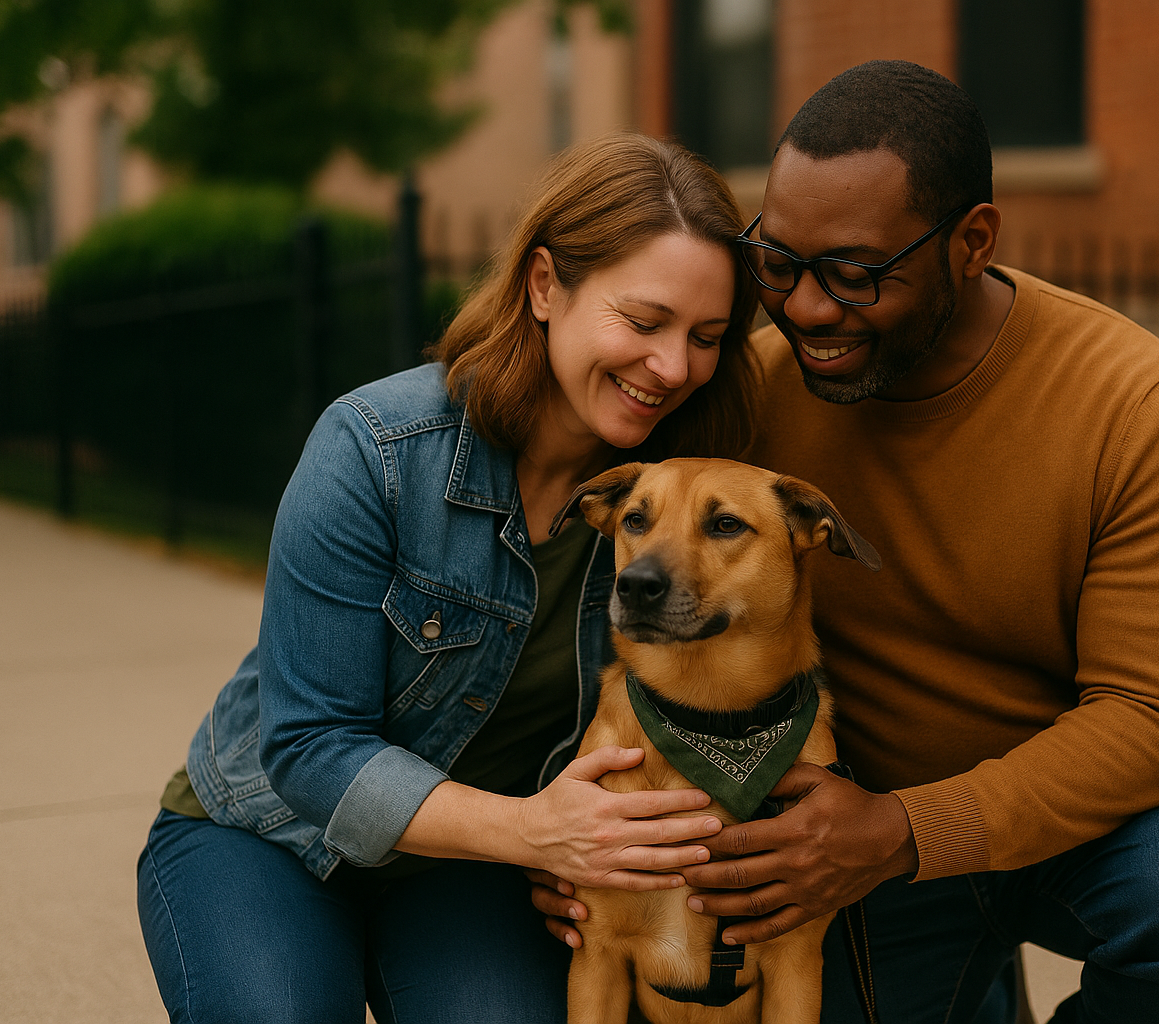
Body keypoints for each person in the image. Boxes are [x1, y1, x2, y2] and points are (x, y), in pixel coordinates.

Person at [531, 61, 1159, 1024]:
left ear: (971, 243)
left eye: (855, 274)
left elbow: (1154, 720)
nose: (809, 308)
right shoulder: (748, 385)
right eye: (778, 263)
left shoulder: (1130, 400)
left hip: (1066, 814)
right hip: (823, 829)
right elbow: (618, 573)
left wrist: (907, 830)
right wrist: (570, 836)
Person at [135, 132, 761, 1024]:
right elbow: (310, 746)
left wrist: (588, 857)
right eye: (644, 321)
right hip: (265, 836)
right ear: (545, 286)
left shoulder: (689, 510)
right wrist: (539, 833)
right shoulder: (377, 450)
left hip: (469, 875)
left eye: (706, 337)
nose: (673, 368)